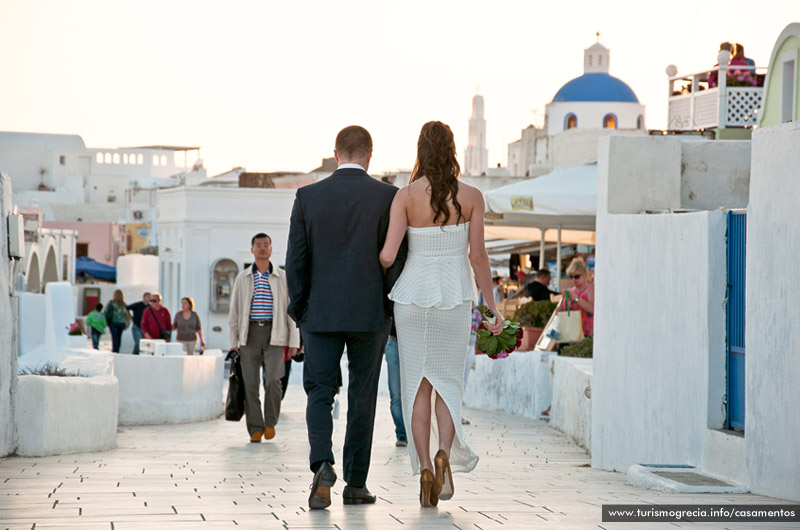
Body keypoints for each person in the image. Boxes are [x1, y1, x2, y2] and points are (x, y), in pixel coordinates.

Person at [380, 121, 503, 507]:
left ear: (420, 149)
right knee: (448, 384)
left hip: (411, 299)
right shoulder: (471, 196)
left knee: (417, 386)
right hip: (454, 297)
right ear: (452, 150)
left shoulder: (404, 196)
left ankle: (424, 468)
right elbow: (478, 256)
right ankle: (444, 455)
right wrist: (492, 307)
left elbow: (386, 255)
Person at [286, 125, 406, 510]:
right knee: (363, 396)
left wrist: (300, 309)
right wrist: (387, 309)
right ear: (370, 155)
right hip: (370, 313)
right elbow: (397, 259)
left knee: (319, 393)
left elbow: (296, 261)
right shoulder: (388, 197)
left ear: (336, 154)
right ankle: (356, 484)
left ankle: (322, 464)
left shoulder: (307, 196)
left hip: (319, 313)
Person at [229, 233, 300, 444]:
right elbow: (234, 313)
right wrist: (234, 343)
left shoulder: (282, 277)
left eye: (266, 245)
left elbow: (290, 311)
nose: (262, 248)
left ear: (271, 249)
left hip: (275, 333)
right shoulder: (243, 278)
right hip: (249, 334)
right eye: (258, 245)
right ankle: (255, 428)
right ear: (252, 250)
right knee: (250, 384)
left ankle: (270, 422)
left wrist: (294, 342)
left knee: (273, 381)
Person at [384, 320, 408, 447]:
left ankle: (414, 432)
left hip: (412, 343)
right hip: (393, 342)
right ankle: (401, 434)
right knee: (396, 395)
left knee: (414, 394)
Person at [560, 257, 594, 339]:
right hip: (568, 333)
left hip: (584, 333)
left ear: (585, 275)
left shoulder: (589, 289)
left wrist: (576, 298)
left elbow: (593, 309)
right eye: (571, 277)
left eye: (577, 276)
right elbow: (561, 309)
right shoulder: (569, 291)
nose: (574, 279)